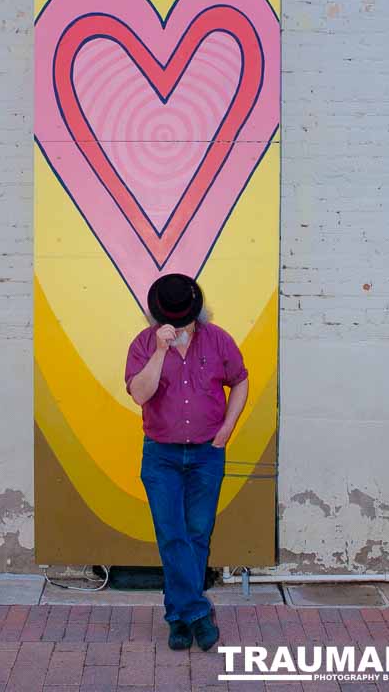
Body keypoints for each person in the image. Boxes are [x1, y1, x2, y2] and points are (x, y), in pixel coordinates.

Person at [124, 273, 249, 652]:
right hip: (161, 455)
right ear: (157, 319)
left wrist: (228, 427)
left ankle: (178, 617)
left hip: (206, 454)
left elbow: (240, 380)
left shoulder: (218, 340)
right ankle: (196, 613)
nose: (179, 328)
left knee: (197, 534)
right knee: (171, 534)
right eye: (172, 321)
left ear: (198, 313)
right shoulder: (144, 345)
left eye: (185, 320)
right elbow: (139, 394)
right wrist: (161, 352)